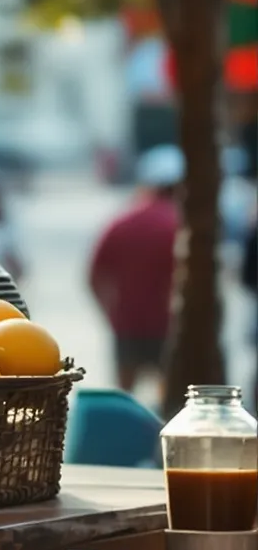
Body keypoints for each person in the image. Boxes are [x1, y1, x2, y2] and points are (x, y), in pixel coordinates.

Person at [90, 144, 183, 398]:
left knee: (125, 399)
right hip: (169, 328)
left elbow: (94, 276)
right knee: (172, 403)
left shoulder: (122, 222)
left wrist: (111, 314)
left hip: (126, 324)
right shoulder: (180, 225)